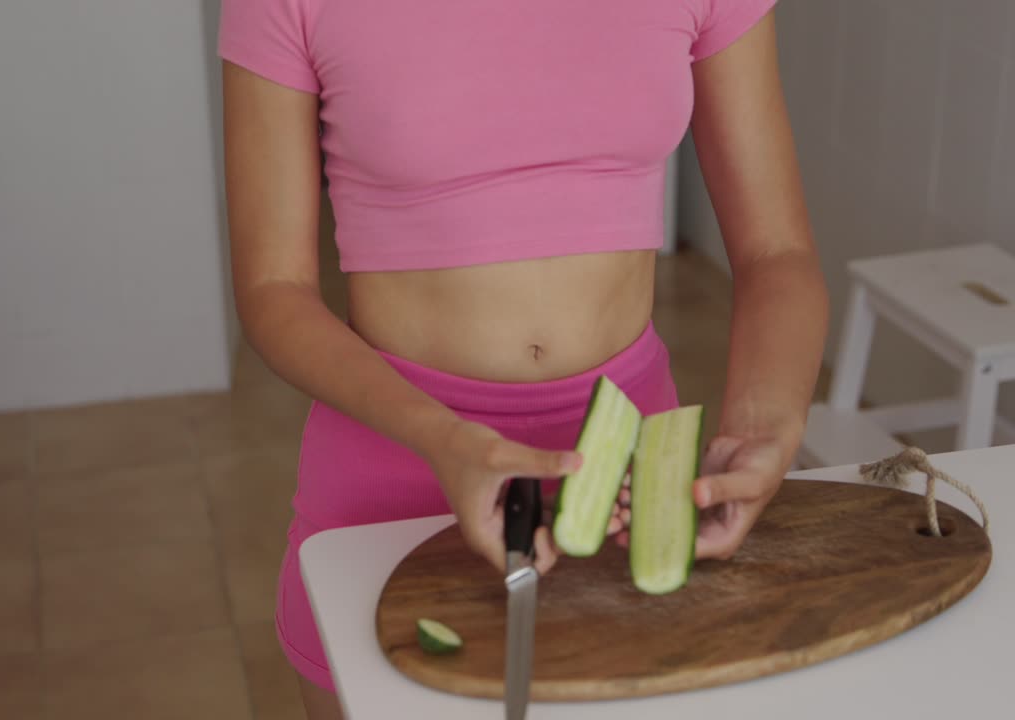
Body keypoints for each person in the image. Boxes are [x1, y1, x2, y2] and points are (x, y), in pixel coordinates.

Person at [218, 0, 828, 716]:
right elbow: (273, 291)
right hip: (391, 472)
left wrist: (761, 427)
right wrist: (442, 438)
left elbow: (776, 251)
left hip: (622, 489)